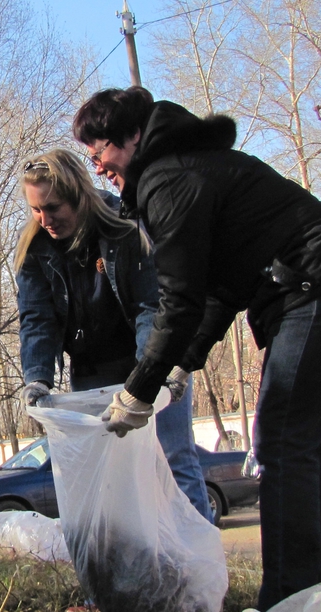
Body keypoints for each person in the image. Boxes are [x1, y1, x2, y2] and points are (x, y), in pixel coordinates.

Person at [72, 87, 321, 612]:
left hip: (319, 289)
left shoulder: (170, 180)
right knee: (317, 442)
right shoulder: (187, 166)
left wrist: (138, 389)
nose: (97, 166)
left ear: (132, 136)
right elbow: (220, 290)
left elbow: (181, 299)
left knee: (282, 439)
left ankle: (289, 602)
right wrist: (183, 364)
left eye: (99, 150)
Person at [15, 149, 213, 521]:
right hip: (91, 373)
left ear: (79, 195)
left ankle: (194, 570)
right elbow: (37, 318)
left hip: (149, 360)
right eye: (36, 210)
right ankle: (125, 568)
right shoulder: (34, 249)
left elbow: (149, 307)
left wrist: (150, 378)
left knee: (172, 461)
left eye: (53, 207)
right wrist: (37, 379)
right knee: (106, 476)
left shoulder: (124, 229)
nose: (45, 220)